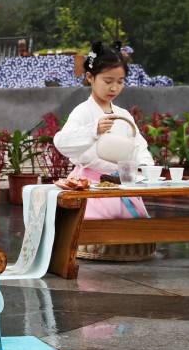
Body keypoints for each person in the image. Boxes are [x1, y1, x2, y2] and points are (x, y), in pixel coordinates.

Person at [54, 41, 153, 219]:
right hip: (91, 189)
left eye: (120, 82)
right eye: (108, 81)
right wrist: (94, 130)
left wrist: (144, 167)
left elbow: (138, 146)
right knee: (94, 233)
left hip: (123, 187)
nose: (114, 88)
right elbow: (62, 142)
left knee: (135, 232)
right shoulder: (83, 111)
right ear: (90, 77)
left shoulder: (123, 115)